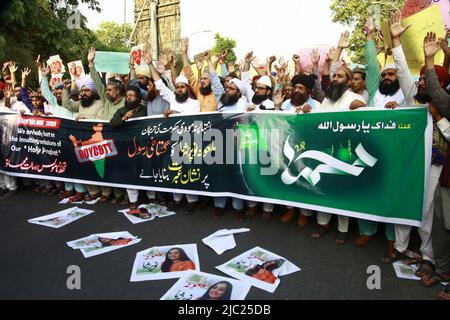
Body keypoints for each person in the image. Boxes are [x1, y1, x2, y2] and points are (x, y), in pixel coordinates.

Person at [420, 31, 450, 299]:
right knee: (439, 223)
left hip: (442, 168)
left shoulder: (442, 107)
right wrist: (430, 60)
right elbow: (439, 95)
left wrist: (440, 118)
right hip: (443, 177)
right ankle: (439, 268)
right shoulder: (427, 103)